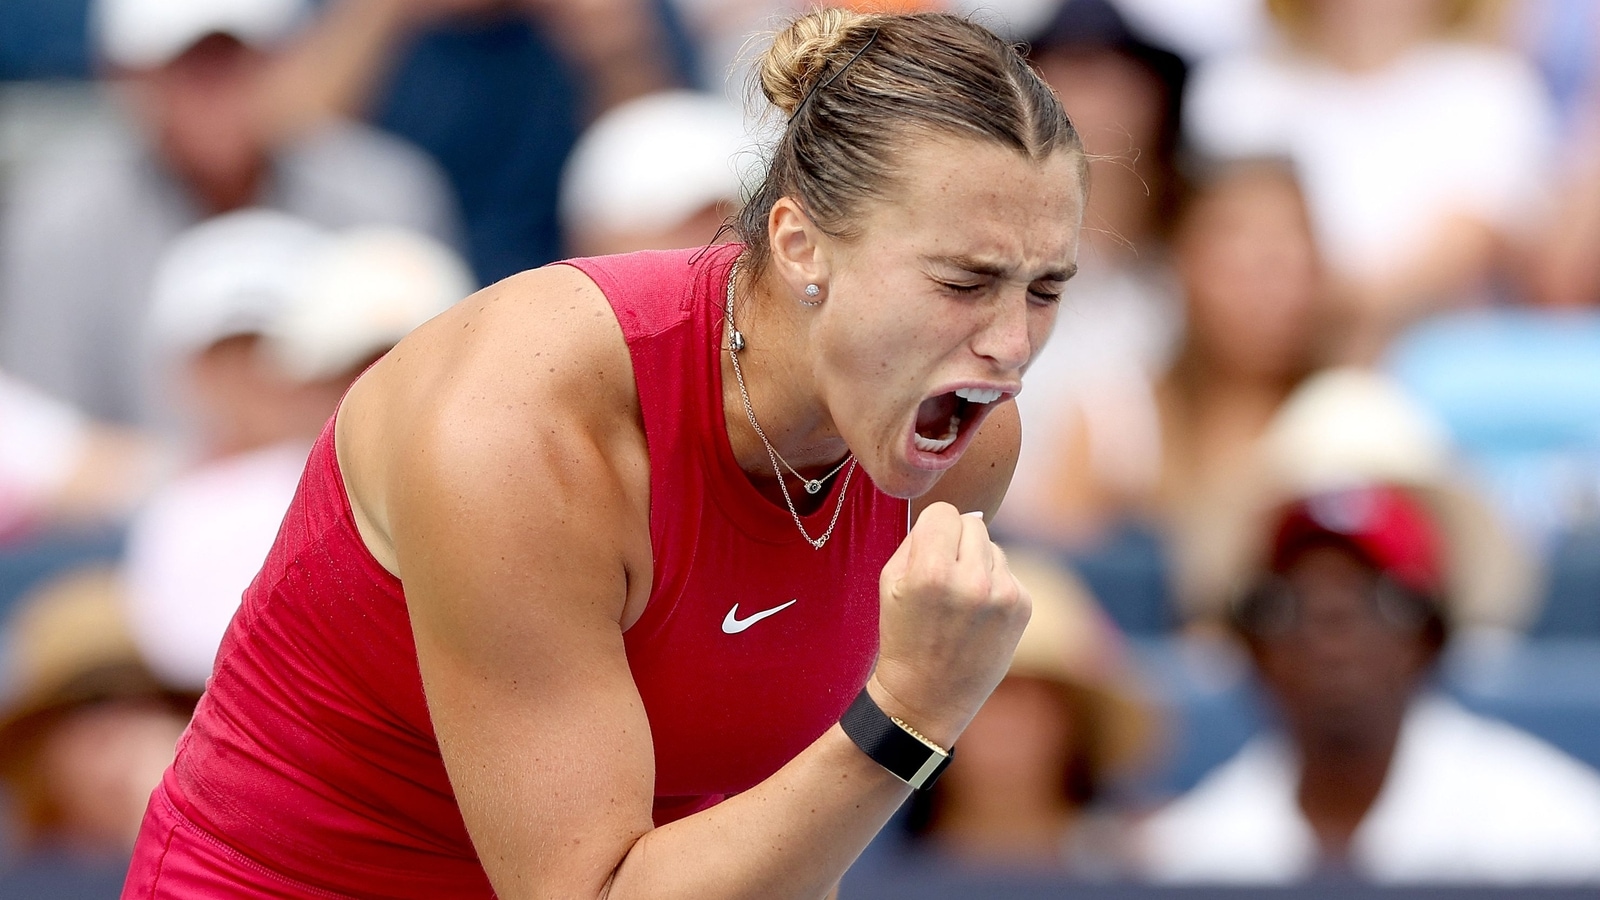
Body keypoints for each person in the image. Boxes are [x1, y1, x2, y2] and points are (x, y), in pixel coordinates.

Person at [121, 9, 1086, 899]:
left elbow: (779, 837)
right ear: (799, 246)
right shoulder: (522, 425)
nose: (1010, 343)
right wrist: (908, 715)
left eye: (1045, 290)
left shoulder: (961, 438)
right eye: (964, 282)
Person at [0, 0, 459, 426]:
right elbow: (43, 439)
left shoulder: (388, 195)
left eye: (238, 61)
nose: (217, 92)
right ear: (127, 78)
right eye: (189, 68)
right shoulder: (58, 222)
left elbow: (437, 408)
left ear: (284, 62)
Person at [1139, 482, 1600, 884]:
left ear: (1428, 638)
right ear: (1257, 650)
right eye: (1292, 605)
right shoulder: (1194, 853)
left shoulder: (1558, 835)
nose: (1329, 631)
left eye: (1374, 601)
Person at [121, 210, 474, 691]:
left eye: (405, 367)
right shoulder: (199, 510)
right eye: (352, 375)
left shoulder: (530, 493)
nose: (382, 399)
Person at [896, 550, 1156, 879]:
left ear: (1076, 720)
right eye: (977, 692)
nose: (1003, 722)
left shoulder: (1146, 870)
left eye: (1031, 697)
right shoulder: (844, 870)